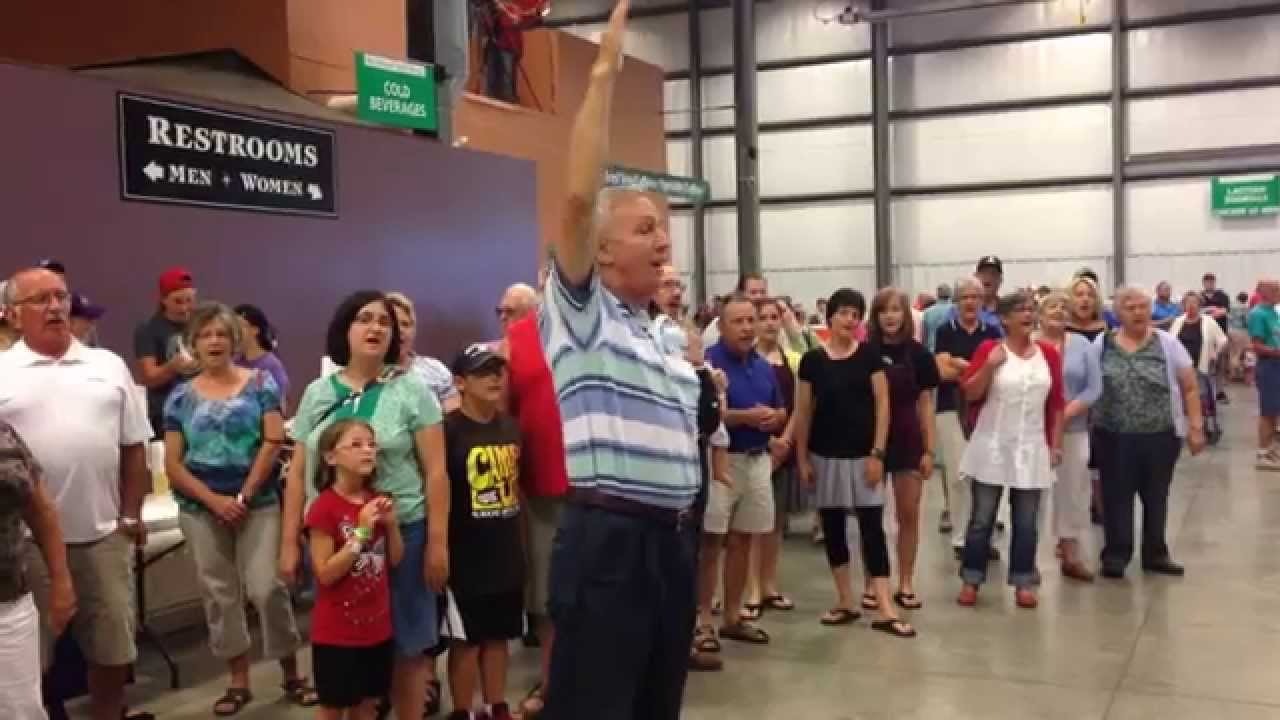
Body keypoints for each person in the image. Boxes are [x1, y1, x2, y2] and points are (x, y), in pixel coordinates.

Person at [539, 2, 704, 714]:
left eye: (663, 227)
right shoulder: (582, 316)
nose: (662, 239)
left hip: (672, 545)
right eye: (643, 229)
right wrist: (604, 71)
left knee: (654, 705)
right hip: (609, 544)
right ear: (602, 250)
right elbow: (578, 198)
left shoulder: (664, 335)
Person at [280, 290, 448, 720]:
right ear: (345, 329)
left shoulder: (414, 392)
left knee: (409, 646)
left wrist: (437, 542)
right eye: (364, 319)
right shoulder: (319, 394)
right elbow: (299, 473)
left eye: (385, 322)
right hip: (333, 540)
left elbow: (435, 472)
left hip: (403, 533)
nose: (376, 328)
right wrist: (287, 544)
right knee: (347, 646)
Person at [1, 268, 152, 720]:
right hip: (25, 544)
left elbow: (133, 447)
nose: (54, 307)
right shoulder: (2, 370)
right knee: (31, 657)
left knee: (111, 649)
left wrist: (130, 515)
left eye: (60, 297)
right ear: (12, 314)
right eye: (39, 299)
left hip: (103, 534)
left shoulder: (108, 365)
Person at [162, 303, 312, 715]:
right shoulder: (179, 397)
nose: (214, 342)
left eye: (222, 334)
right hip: (200, 508)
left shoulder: (260, 383)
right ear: (193, 343)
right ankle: (238, 680)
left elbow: (273, 440)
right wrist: (214, 501)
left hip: (257, 502)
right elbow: (173, 463)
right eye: (206, 335)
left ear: (235, 340)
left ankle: (291, 673)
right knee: (219, 594)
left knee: (268, 588)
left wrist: (243, 496)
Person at [793, 288, 915, 638]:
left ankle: (884, 605)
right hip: (825, 454)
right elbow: (803, 412)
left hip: (864, 456)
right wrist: (802, 458)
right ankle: (845, 599)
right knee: (832, 527)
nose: (850, 320)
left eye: (856, 314)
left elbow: (882, 406)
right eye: (844, 312)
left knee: (872, 527)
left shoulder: (870, 357)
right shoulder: (812, 362)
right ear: (830, 316)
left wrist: (877, 453)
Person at [955, 292, 1064, 610]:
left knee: (1027, 520)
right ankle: (971, 578)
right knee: (982, 518)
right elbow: (971, 392)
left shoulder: (1048, 355)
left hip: (1031, 446)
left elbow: (1056, 403)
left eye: (1032, 310)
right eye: (1020, 310)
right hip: (992, 444)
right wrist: (989, 368)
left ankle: (1023, 581)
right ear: (1004, 319)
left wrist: (1055, 444)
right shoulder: (990, 349)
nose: (1028, 315)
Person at [1094, 286, 1205, 579]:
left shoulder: (1166, 343)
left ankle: (1156, 553)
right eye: (1130, 307)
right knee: (1116, 496)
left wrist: (1195, 427)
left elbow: (1190, 386)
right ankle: (1116, 555)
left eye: (1143, 306)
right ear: (1117, 314)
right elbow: (1087, 386)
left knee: (1156, 496)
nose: (1138, 312)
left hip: (1160, 435)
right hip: (1113, 436)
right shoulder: (1102, 344)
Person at [441, 345, 524, 720]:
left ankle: (497, 704)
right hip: (465, 552)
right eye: (482, 373)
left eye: (497, 371)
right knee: (466, 640)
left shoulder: (510, 427)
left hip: (504, 548)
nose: (494, 379)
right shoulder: (448, 431)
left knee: (499, 636)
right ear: (460, 382)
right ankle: (463, 709)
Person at [501, 283, 569, 718]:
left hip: (608, 487)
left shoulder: (611, 330)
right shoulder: (517, 339)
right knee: (548, 597)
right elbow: (504, 414)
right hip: (542, 488)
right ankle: (554, 680)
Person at [305, 419, 403, 720]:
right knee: (334, 706)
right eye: (356, 445)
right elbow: (325, 573)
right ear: (331, 457)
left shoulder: (376, 500)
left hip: (376, 629)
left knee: (367, 705)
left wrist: (392, 525)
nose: (367, 452)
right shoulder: (324, 507)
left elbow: (395, 560)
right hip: (337, 634)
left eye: (372, 445)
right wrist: (360, 532)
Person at [701, 295, 785, 647]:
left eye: (751, 320)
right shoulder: (708, 366)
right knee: (711, 542)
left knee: (743, 540)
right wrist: (745, 417)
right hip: (723, 461)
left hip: (757, 460)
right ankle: (703, 620)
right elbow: (706, 415)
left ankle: (733, 616)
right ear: (721, 327)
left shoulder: (764, 366)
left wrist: (776, 417)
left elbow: (781, 409)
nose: (748, 328)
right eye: (739, 321)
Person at [867, 288, 938, 610]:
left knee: (908, 515)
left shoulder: (920, 355)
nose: (890, 316)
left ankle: (906, 581)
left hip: (910, 440)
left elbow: (926, 406)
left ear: (906, 315)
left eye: (896, 310)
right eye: (884, 310)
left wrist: (929, 450)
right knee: (871, 515)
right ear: (876, 317)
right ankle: (873, 581)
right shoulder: (865, 352)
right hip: (873, 442)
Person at [0, 419, 75, 720]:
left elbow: (40, 509)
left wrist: (61, 578)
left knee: (21, 710)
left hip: (8, 604)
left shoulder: (4, 434)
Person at [933, 277, 1002, 553]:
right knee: (959, 474)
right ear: (957, 302)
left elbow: (998, 369)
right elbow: (941, 370)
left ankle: (985, 538)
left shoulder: (992, 330)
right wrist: (980, 368)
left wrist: (962, 365)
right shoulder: (944, 331)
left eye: (975, 296)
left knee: (988, 475)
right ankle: (961, 538)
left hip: (987, 408)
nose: (970, 302)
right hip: (950, 407)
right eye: (965, 297)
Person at [1036, 292, 1101, 581]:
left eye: (1064, 307)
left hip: (1074, 429)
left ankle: (1071, 553)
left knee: (1073, 491)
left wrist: (1067, 412)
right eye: (1052, 306)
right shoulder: (1030, 346)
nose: (1059, 311)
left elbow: (1094, 387)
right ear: (1040, 314)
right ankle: (1029, 559)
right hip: (1034, 431)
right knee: (1032, 495)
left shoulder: (1083, 345)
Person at [743, 298, 802, 619]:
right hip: (755, 449)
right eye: (761, 317)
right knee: (754, 524)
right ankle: (750, 587)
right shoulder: (748, 361)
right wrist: (768, 441)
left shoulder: (790, 360)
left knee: (776, 523)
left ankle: (769, 585)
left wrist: (786, 440)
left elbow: (797, 405)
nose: (768, 323)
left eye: (773, 317)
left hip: (784, 449)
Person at [134, 267, 199, 437]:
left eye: (189, 300)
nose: (185, 307)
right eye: (178, 301)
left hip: (201, 412)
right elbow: (149, 378)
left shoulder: (202, 325)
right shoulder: (148, 329)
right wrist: (173, 367)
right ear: (163, 300)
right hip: (166, 417)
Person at [386, 292, 460, 413]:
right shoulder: (366, 373)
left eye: (405, 324)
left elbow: (454, 419)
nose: (400, 330)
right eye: (392, 324)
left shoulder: (436, 370)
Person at [1169, 292, 1227, 444]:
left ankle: (1204, 428)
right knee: (1180, 400)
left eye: (1194, 302)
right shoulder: (1178, 321)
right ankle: (1182, 431)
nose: (1191, 306)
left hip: (1200, 365)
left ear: (1199, 305)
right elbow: (1170, 342)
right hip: (1180, 368)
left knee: (1202, 398)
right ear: (1183, 305)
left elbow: (1222, 339)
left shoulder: (1208, 321)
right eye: (1188, 303)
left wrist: (1215, 352)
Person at [1248, 280, 1280, 471]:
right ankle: (1262, 453)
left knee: (1275, 410)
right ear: (1262, 292)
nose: (1279, 292)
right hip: (1269, 367)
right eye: (1275, 289)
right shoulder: (1258, 314)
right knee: (1268, 412)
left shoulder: (1273, 313)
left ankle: (1271, 449)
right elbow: (1257, 345)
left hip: (1277, 365)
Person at [234, 304, 290, 406]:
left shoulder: (272, 366)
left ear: (255, 330)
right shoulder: (233, 363)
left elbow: (280, 403)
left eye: (239, 327)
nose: (234, 332)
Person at [1201, 272, 1232, 403]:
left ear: (1214, 282)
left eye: (1211, 281)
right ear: (1203, 283)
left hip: (1220, 335)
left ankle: (1219, 391)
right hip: (1205, 335)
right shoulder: (1199, 296)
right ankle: (1205, 391)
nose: (1209, 284)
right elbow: (1197, 311)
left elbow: (1224, 311)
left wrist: (1207, 312)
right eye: (1207, 282)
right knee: (1205, 362)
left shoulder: (1222, 296)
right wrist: (1212, 309)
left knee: (1220, 363)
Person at [974, 256, 1004, 328]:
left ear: (1000, 280)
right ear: (975, 277)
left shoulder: (1008, 310)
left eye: (993, 274)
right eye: (983, 273)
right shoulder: (959, 310)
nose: (988, 277)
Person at [921, 283, 953, 352]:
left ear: (937, 294)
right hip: (950, 351)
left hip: (931, 349)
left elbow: (924, 335)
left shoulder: (927, 312)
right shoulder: (955, 310)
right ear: (950, 294)